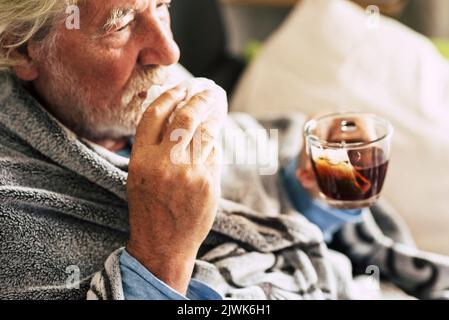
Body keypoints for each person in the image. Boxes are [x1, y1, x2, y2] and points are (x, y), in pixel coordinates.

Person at [1, 0, 448, 300]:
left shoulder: (156, 82)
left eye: (161, 5)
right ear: (20, 48)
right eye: (119, 24)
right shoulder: (13, 208)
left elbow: (253, 210)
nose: (169, 51)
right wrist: (161, 255)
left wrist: (307, 192)